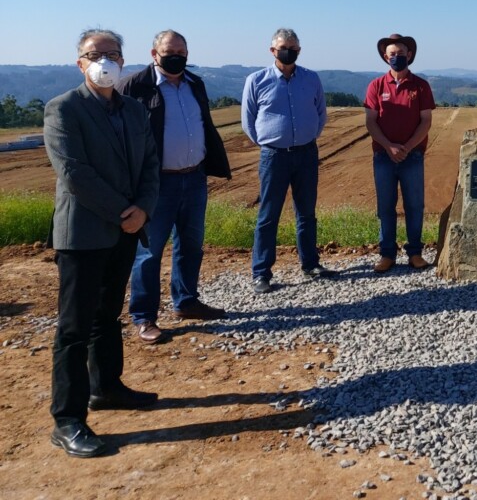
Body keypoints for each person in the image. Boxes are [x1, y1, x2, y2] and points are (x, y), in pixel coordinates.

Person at [43, 29, 161, 458]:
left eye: (113, 53)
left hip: (125, 231)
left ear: (124, 60)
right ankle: (68, 419)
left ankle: (106, 387)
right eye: (96, 54)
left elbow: (150, 162)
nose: (105, 61)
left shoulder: (132, 109)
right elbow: (73, 173)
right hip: (84, 235)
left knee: (107, 316)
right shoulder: (63, 109)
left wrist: (144, 209)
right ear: (80, 62)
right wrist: (124, 212)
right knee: (74, 328)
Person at [117, 30, 232, 343]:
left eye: (182, 51)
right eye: (170, 51)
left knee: (191, 245)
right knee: (149, 252)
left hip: (194, 177)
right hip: (156, 184)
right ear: (154, 54)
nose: (177, 56)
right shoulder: (134, 87)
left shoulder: (195, 84)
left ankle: (186, 301)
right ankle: (144, 316)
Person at [242, 28, 329, 294]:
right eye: (283, 47)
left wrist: (308, 137)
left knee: (306, 213)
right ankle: (261, 273)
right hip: (274, 156)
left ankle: (310, 264)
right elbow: (248, 121)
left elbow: (320, 113)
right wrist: (270, 142)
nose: (288, 51)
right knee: (268, 216)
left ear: (299, 51)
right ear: (272, 50)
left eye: (293, 47)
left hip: (306, 154)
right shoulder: (256, 80)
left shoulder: (311, 79)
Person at [364, 33, 436, 273]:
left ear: (410, 55)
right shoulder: (376, 86)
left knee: (415, 206)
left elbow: (426, 121)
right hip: (383, 156)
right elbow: (371, 122)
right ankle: (387, 254)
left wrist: (406, 148)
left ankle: (415, 253)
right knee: (385, 207)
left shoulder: (421, 86)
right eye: (392, 54)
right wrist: (389, 146)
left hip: (412, 156)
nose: (397, 57)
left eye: (401, 53)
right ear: (386, 57)